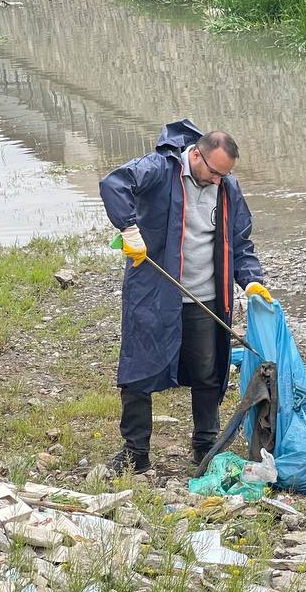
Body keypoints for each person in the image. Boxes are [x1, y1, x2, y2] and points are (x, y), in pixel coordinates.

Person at [99, 120, 271, 474]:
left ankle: (205, 447)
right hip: (155, 292)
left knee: (208, 373)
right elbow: (115, 183)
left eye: (225, 175)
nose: (218, 181)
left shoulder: (227, 188)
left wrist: (251, 280)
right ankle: (136, 452)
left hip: (206, 297)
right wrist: (128, 227)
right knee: (139, 370)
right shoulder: (159, 170)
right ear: (196, 155)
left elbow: (240, 242)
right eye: (214, 172)